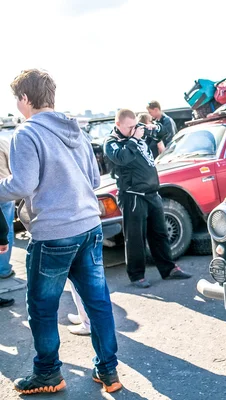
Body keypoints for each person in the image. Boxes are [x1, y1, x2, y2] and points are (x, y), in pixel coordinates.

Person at [1, 69, 121, 394]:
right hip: (90, 227)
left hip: (54, 234)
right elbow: (96, 181)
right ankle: (109, 373)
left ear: (26, 98)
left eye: (16, 98)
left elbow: (22, 184)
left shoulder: (26, 134)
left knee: (42, 308)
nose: (16, 104)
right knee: (97, 302)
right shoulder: (76, 129)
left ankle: (48, 374)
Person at [104, 109, 192, 288]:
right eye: (129, 127)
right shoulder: (112, 142)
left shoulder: (138, 130)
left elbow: (164, 132)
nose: (133, 129)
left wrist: (153, 127)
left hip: (152, 192)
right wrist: (135, 139)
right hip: (132, 195)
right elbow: (122, 158)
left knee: (160, 233)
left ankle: (168, 269)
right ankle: (137, 275)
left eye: (135, 125)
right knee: (135, 236)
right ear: (118, 125)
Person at [0, 138, 15, 281]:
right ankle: (3, 269)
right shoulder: (3, 142)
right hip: (4, 192)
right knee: (6, 230)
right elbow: (14, 168)